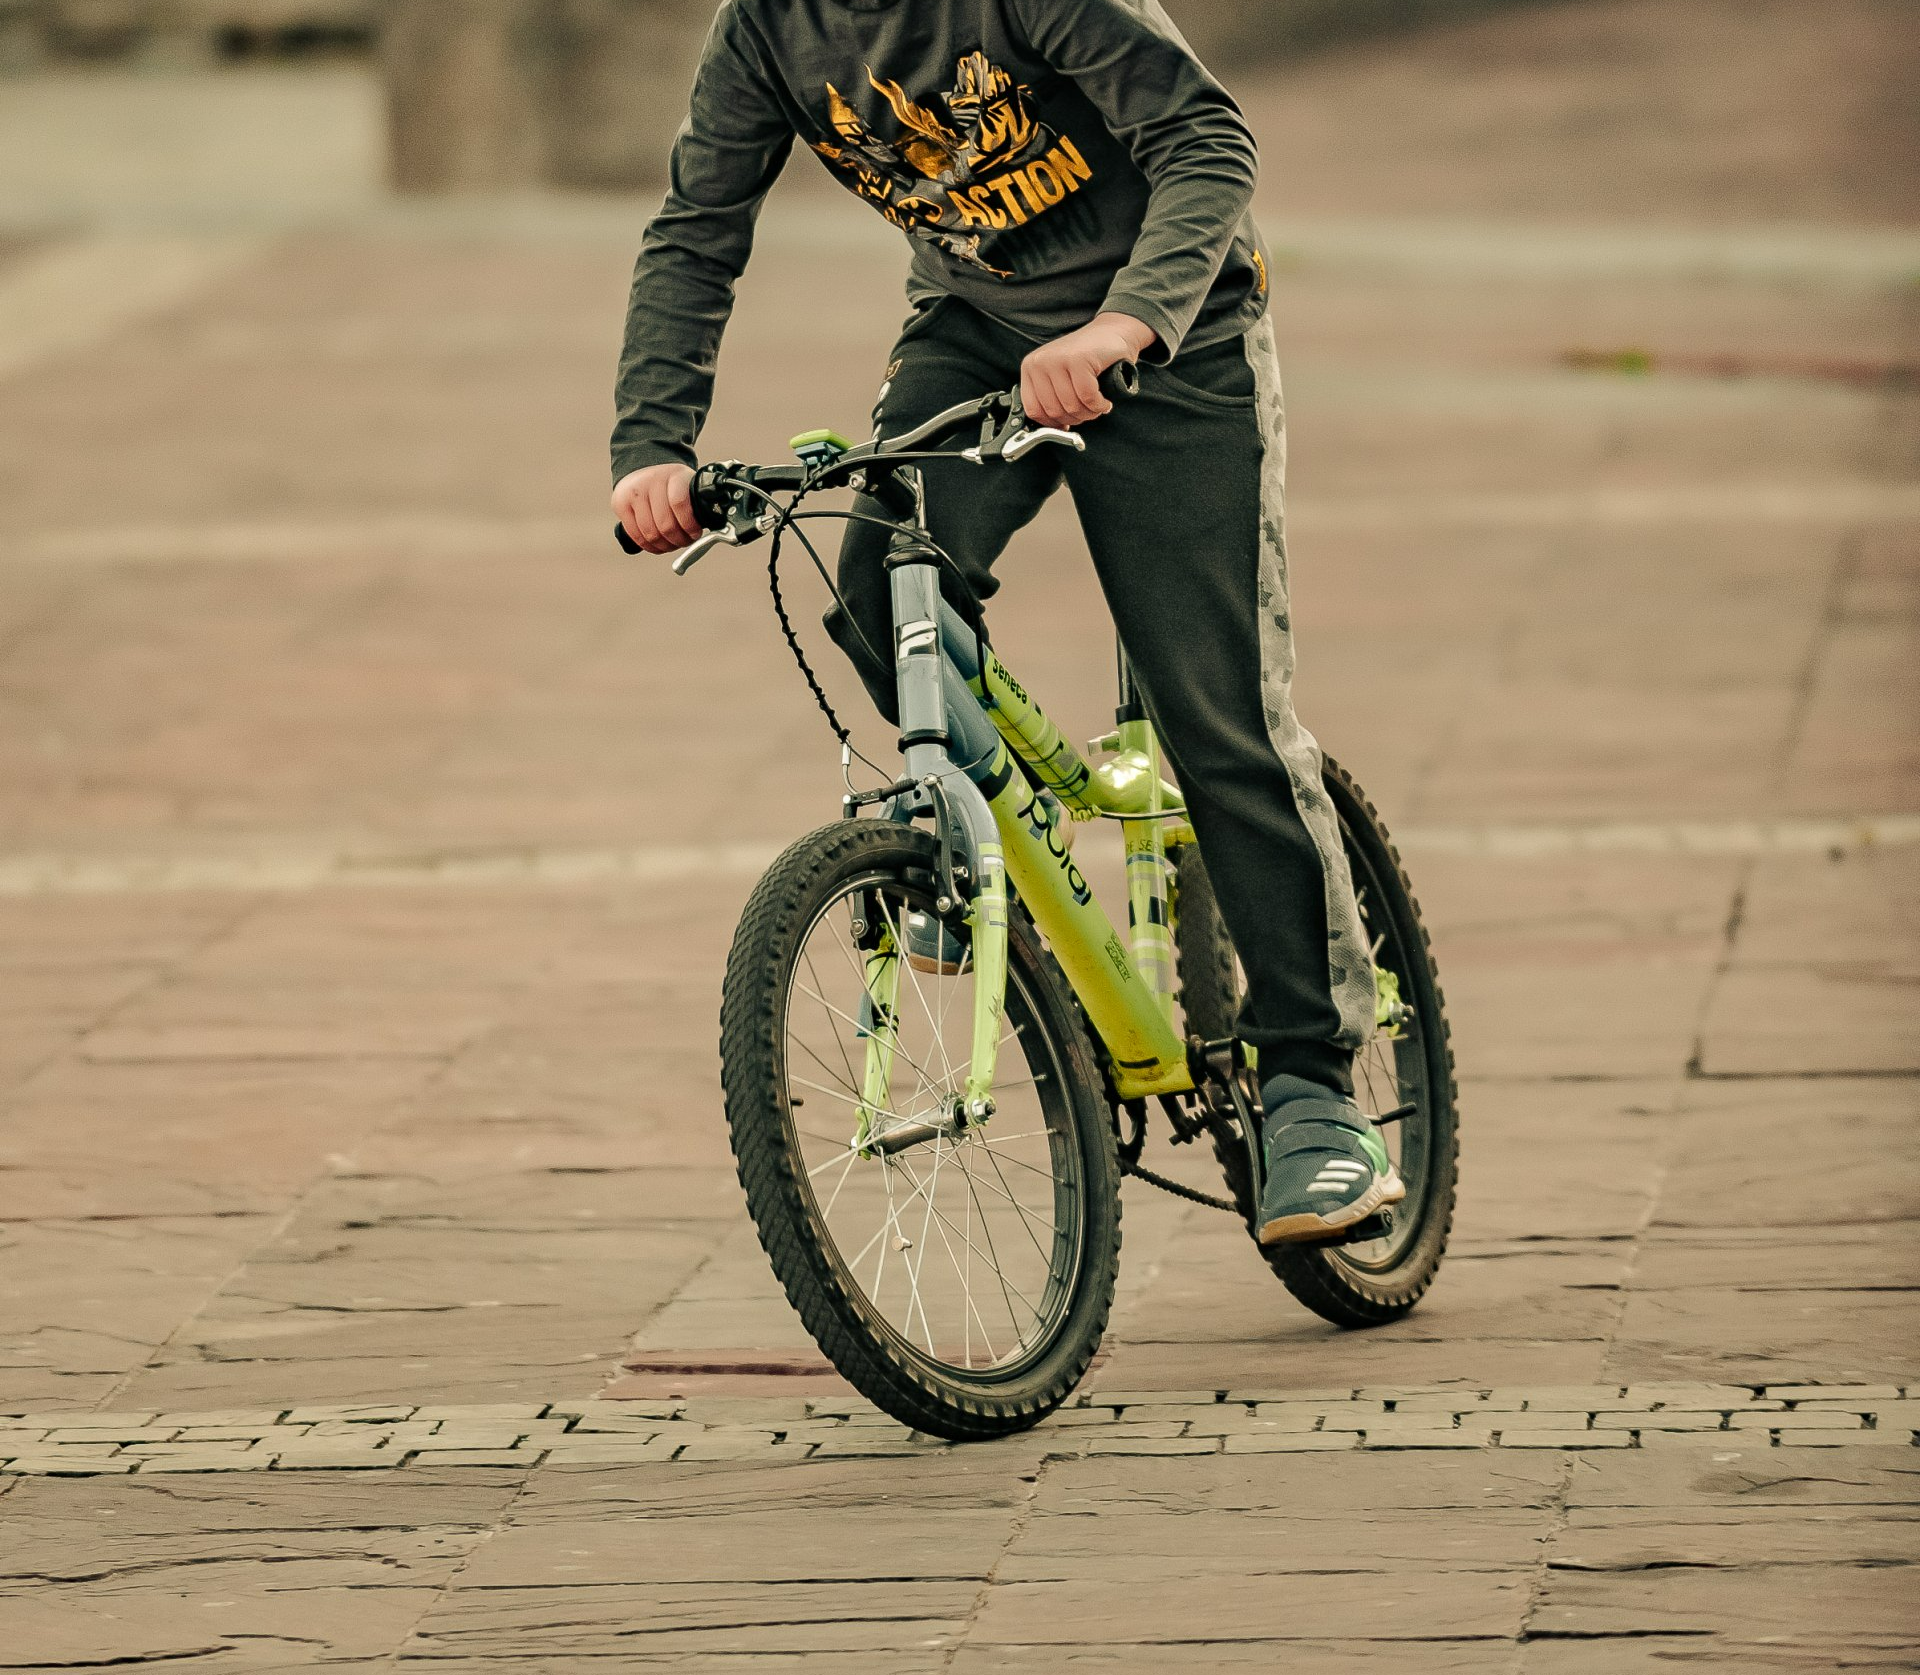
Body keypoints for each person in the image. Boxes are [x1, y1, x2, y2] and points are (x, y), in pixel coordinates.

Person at [610, 0, 1401, 1246]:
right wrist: (651, 450)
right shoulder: (765, 25)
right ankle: (973, 852)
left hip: (1166, 337)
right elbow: (695, 232)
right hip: (978, 328)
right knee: (877, 604)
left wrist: (1123, 326)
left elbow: (1208, 139)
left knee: (1218, 714)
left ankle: (1311, 1085)